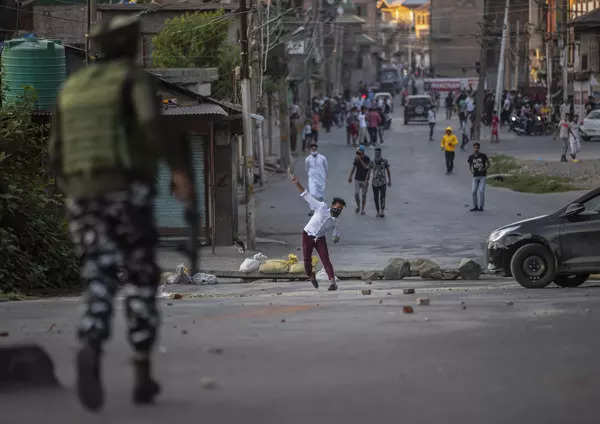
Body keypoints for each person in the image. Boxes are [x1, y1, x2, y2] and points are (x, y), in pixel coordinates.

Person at [49, 15, 193, 411]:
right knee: (141, 276)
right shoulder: (134, 80)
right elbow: (152, 125)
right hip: (126, 192)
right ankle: (142, 373)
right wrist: (178, 172)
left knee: (99, 270)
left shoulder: (71, 86)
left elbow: (55, 154)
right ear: (131, 44)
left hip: (81, 195)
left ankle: (91, 344)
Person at [291, 175, 345, 291]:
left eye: (340, 210)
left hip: (320, 238)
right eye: (337, 208)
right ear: (332, 206)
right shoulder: (321, 207)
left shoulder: (335, 222)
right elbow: (306, 195)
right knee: (307, 259)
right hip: (307, 234)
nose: (338, 210)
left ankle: (332, 282)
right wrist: (297, 183)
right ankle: (311, 275)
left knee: (325, 258)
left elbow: (336, 235)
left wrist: (336, 238)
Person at [304, 142, 328, 210]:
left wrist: (325, 176)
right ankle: (312, 209)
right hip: (312, 179)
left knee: (321, 195)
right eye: (312, 149)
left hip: (321, 179)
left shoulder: (323, 158)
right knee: (312, 193)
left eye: (315, 149)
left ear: (317, 149)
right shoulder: (307, 159)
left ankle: (322, 207)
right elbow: (306, 169)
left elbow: (326, 168)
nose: (314, 150)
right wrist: (311, 175)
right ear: (311, 150)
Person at [369, 147, 391, 218]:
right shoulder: (372, 162)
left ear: (380, 153)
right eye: (375, 153)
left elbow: (388, 171)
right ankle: (377, 211)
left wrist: (389, 180)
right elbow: (369, 172)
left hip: (383, 182)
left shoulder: (385, 161)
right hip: (374, 182)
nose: (377, 154)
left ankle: (382, 211)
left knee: (382, 197)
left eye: (378, 153)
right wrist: (366, 181)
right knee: (375, 198)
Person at [348, 145, 371, 215]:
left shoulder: (367, 158)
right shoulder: (356, 159)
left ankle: (363, 209)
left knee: (364, 195)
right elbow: (354, 167)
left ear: (363, 152)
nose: (358, 153)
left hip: (365, 179)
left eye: (359, 151)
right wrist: (350, 176)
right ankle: (358, 206)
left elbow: (366, 167)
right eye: (358, 152)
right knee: (356, 194)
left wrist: (360, 159)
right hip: (357, 178)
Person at [467, 143, 489, 212]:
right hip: (475, 176)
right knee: (473, 191)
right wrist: (471, 171)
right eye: (475, 148)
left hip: (482, 176)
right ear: (473, 148)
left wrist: (483, 169)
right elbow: (470, 166)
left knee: (481, 191)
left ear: (479, 148)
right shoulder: (471, 157)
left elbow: (488, 164)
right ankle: (475, 206)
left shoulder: (483, 155)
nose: (476, 149)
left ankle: (481, 207)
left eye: (477, 148)